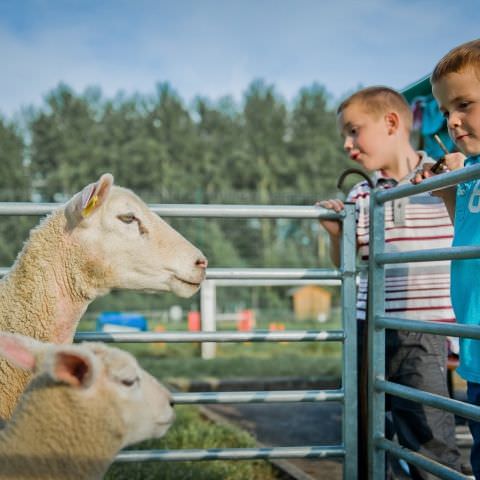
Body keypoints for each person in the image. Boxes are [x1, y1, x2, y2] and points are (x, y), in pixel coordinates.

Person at [319, 86, 461, 479]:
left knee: (428, 432)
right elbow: (349, 264)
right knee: (365, 427)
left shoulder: (443, 179)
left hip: (424, 330)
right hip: (370, 327)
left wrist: (452, 182)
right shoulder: (362, 192)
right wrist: (337, 236)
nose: (348, 145)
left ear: (392, 123)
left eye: (353, 131)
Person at [412, 38, 480, 480]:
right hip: (476, 352)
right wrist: (452, 189)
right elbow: (467, 242)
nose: (452, 121)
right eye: (444, 111)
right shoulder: (472, 175)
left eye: (465, 104)